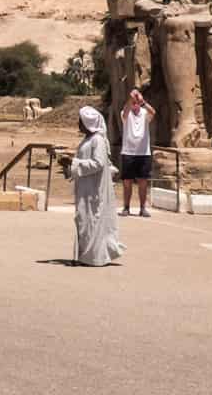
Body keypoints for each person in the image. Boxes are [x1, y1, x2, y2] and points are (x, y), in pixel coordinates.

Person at [62, 106, 125, 267]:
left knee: (91, 220)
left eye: (80, 121)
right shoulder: (88, 140)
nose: (78, 124)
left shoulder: (97, 140)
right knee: (84, 219)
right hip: (85, 188)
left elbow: (98, 163)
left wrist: (74, 162)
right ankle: (85, 256)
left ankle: (94, 257)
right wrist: (68, 166)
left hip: (93, 190)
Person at [119, 86, 155, 218]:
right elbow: (124, 113)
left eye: (136, 101)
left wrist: (142, 101)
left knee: (143, 181)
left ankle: (142, 208)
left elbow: (153, 112)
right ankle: (126, 207)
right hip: (128, 152)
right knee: (127, 181)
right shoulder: (125, 112)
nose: (135, 104)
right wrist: (130, 100)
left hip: (143, 152)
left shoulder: (144, 113)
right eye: (133, 102)